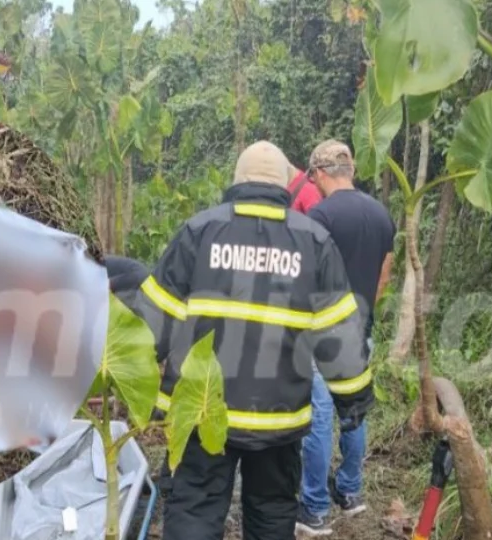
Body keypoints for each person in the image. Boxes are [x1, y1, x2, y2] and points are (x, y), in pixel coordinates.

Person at [135, 140, 374, 540]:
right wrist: (353, 404)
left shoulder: (200, 231)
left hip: (201, 413)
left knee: (194, 511)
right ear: (285, 185)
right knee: (271, 518)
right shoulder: (314, 242)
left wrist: (145, 397)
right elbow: (340, 340)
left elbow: (149, 327)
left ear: (236, 181)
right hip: (279, 422)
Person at [296, 140, 395, 536]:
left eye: (314, 178)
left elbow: (307, 278)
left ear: (320, 173)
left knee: (318, 416)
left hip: (323, 333)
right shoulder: (381, 215)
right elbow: (383, 276)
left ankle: (315, 508)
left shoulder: (319, 216)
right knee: (354, 412)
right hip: (360, 329)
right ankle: (351, 493)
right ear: (350, 170)